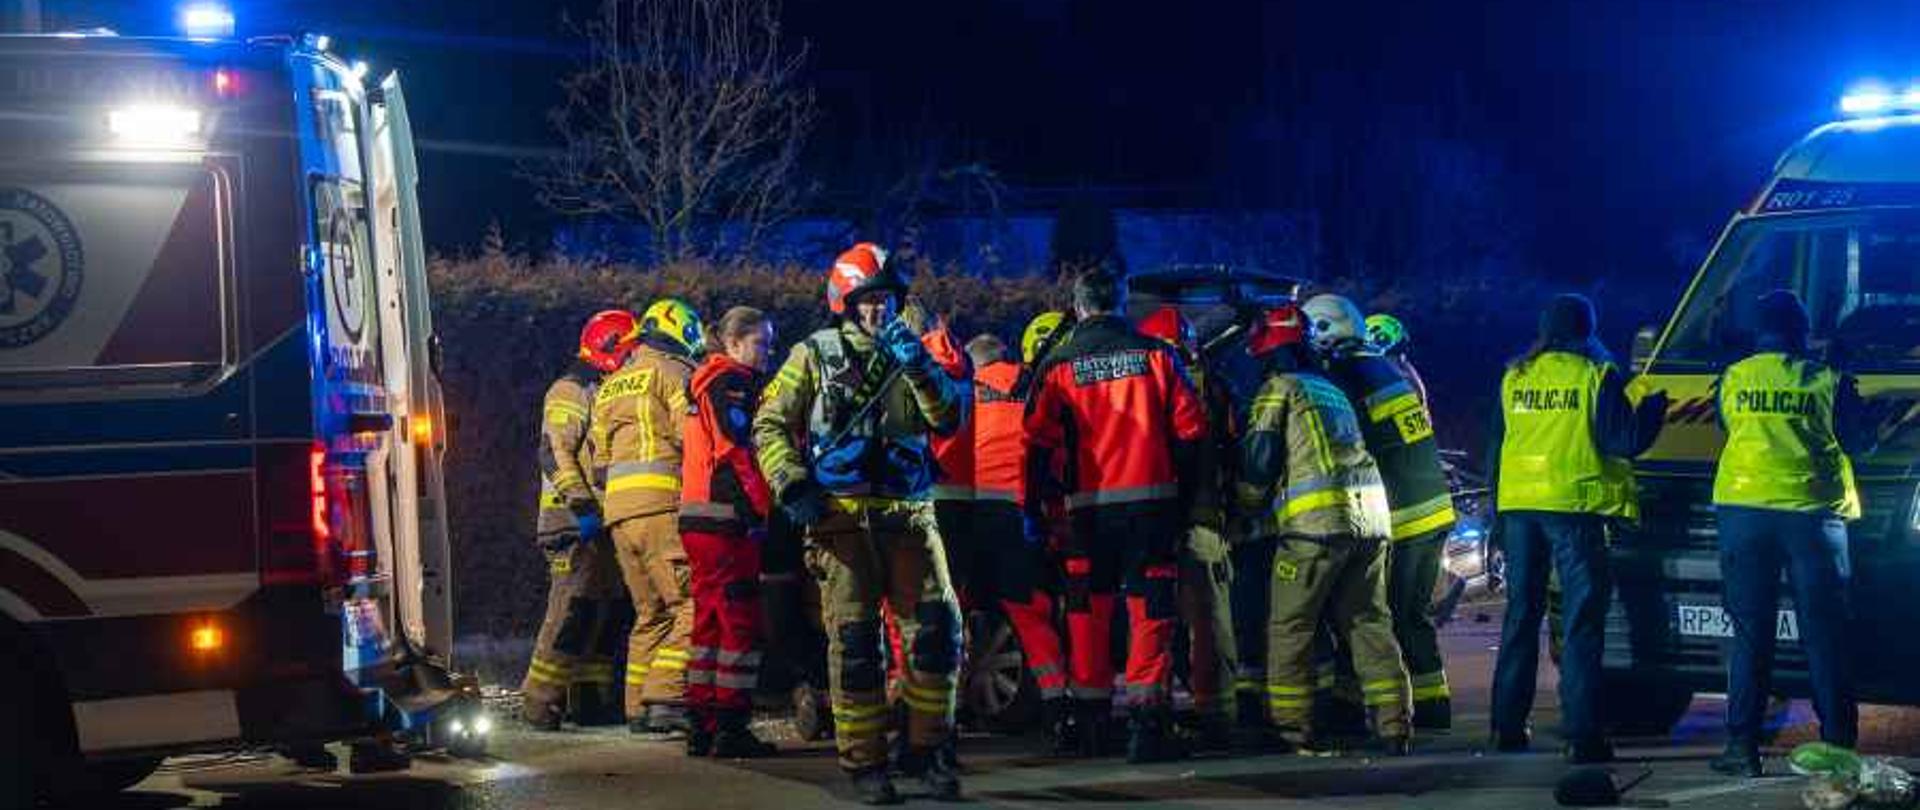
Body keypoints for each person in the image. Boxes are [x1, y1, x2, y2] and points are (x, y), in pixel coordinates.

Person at [753, 243, 966, 804]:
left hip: (909, 512)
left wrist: (918, 365)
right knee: (855, 646)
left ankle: (928, 749)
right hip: (840, 518)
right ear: (845, 303)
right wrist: (792, 483)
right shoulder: (814, 354)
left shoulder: (913, 351)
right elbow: (770, 424)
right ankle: (865, 763)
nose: (878, 311)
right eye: (866, 301)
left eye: (886, 300)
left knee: (937, 633)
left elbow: (949, 418)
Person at [1024, 268, 1208, 763]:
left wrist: (1037, 509)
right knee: (1150, 612)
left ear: (1078, 307)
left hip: (1086, 513)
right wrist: (1185, 499)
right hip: (1152, 508)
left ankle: (1092, 725)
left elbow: (1036, 443)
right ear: (1122, 304)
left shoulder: (1058, 363)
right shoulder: (1157, 355)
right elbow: (1192, 433)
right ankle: (1148, 728)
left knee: (1087, 613)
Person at [1487, 293, 1666, 764]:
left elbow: (1497, 447)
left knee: (1520, 617)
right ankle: (1583, 736)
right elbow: (1622, 441)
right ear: (1588, 330)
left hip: (1520, 506)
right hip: (1573, 507)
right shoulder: (1595, 374)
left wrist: (1496, 516)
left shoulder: (1515, 376)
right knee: (1582, 623)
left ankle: (1506, 727)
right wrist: (1653, 410)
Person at [1237, 302, 1412, 756]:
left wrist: (1243, 509)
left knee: (1290, 627)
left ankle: (1293, 729)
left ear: (1268, 352)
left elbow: (1258, 465)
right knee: (1369, 622)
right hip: (1372, 523)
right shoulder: (1330, 389)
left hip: (1315, 529)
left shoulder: (1279, 390)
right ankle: (1396, 727)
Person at [1708, 290, 1872, 777]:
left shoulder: (1733, 378)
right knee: (1824, 638)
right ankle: (1838, 747)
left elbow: (1728, 427)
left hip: (1743, 514)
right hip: (1812, 518)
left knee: (1751, 636)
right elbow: (1859, 440)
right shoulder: (1825, 380)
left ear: (1759, 333)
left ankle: (1741, 750)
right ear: (1802, 333)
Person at [1303, 296, 1458, 731]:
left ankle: (1356, 706)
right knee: (1411, 614)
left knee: (1371, 612)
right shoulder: (1385, 367)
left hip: (1403, 514)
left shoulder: (1346, 376)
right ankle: (1432, 704)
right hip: (1430, 508)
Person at [521, 310, 639, 730]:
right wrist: (583, 505)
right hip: (571, 520)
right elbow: (554, 452)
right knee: (570, 613)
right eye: (629, 349)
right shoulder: (569, 390)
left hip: (598, 521)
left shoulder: (599, 390)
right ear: (609, 348)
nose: (633, 358)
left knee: (599, 613)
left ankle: (588, 701)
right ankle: (538, 702)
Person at [595, 298, 705, 735]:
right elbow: (691, 437)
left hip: (618, 515)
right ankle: (665, 697)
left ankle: (637, 707)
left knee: (649, 612)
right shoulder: (676, 373)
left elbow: (600, 462)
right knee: (691, 603)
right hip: (662, 507)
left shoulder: (612, 383)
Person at [679, 306, 782, 758]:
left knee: (709, 625)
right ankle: (731, 726)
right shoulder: (732, 383)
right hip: (726, 520)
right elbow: (736, 451)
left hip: (698, 518)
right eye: (761, 343)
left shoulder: (705, 382)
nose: (768, 353)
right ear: (734, 343)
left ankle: (701, 723)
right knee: (740, 623)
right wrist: (762, 509)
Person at [1137, 305, 1240, 751]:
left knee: (1171, 619)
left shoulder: (1162, 388)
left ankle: (1205, 714)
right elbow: (1230, 449)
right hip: (1201, 517)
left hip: (1164, 518)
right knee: (1207, 620)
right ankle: (1211, 709)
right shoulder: (1212, 386)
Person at [969, 329, 1074, 753]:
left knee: (952, 608)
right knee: (1028, 609)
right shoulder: (1030, 384)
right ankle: (1055, 702)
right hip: (1021, 513)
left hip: (971, 510)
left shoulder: (964, 389)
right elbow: (1054, 449)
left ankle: (940, 708)